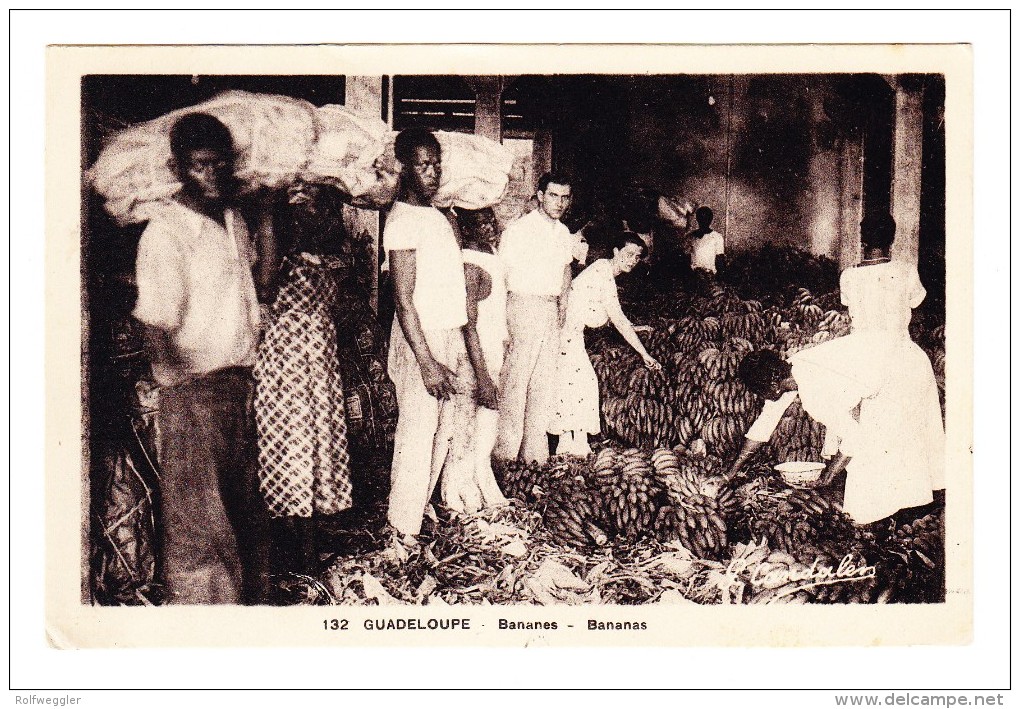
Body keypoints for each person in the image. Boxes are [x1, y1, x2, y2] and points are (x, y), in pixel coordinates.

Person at [727, 212, 944, 525]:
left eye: (765, 393)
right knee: (894, 443)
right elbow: (767, 419)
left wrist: (826, 478)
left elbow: (854, 438)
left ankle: (896, 515)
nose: (768, 399)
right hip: (895, 354)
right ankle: (907, 508)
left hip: (899, 369)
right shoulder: (795, 366)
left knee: (878, 454)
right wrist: (729, 474)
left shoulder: (815, 391)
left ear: (773, 384)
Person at [131, 113, 269, 604]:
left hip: (237, 381)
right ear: (177, 167)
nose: (212, 175)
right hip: (192, 389)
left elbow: (257, 287)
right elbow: (155, 321)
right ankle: (201, 620)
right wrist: (176, 384)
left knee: (236, 509)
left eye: (219, 165)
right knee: (197, 522)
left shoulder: (232, 220)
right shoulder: (166, 232)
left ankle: (241, 612)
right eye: (199, 166)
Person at [253, 181, 353, 575]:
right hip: (288, 362)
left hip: (314, 361)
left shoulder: (323, 257)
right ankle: (296, 551)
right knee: (292, 443)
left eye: (318, 208)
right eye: (304, 207)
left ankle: (304, 546)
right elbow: (263, 288)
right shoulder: (280, 255)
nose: (314, 214)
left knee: (310, 444)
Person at [383, 128, 468, 545]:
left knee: (442, 430)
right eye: (423, 164)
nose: (433, 172)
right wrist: (427, 361)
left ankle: (418, 513)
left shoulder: (437, 216)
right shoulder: (400, 221)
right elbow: (402, 299)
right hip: (420, 342)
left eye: (436, 164)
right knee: (417, 432)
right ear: (403, 167)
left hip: (445, 334)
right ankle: (401, 527)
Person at [548, 232, 662, 456]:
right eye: (628, 254)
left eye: (637, 257)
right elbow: (616, 317)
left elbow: (603, 311)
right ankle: (570, 444)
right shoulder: (603, 272)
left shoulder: (603, 271)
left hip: (570, 333)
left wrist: (632, 327)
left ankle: (573, 443)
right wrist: (644, 354)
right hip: (563, 333)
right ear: (616, 252)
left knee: (576, 384)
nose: (632, 260)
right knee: (580, 383)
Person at [495, 172, 575, 464]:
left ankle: (534, 460)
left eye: (565, 197)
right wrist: (504, 326)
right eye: (553, 195)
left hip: (549, 309)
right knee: (515, 386)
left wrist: (563, 305)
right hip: (522, 307)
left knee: (543, 386)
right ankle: (504, 458)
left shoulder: (563, 232)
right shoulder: (518, 230)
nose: (559, 202)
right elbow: (501, 279)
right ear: (540, 195)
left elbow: (566, 269)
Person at [441, 207, 510, 512]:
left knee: (486, 425)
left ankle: (480, 482)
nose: (489, 227)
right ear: (467, 230)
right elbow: (468, 325)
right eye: (479, 223)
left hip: (493, 351)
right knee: (465, 426)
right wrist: (482, 375)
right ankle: (455, 493)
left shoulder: (493, 257)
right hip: (473, 356)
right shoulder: (470, 264)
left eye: (490, 220)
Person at [688, 205, 725, 275]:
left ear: (710, 220)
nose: (703, 221)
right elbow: (686, 259)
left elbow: (720, 262)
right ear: (697, 219)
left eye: (706, 218)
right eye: (701, 218)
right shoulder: (691, 237)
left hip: (709, 276)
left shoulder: (717, 237)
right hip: (694, 276)